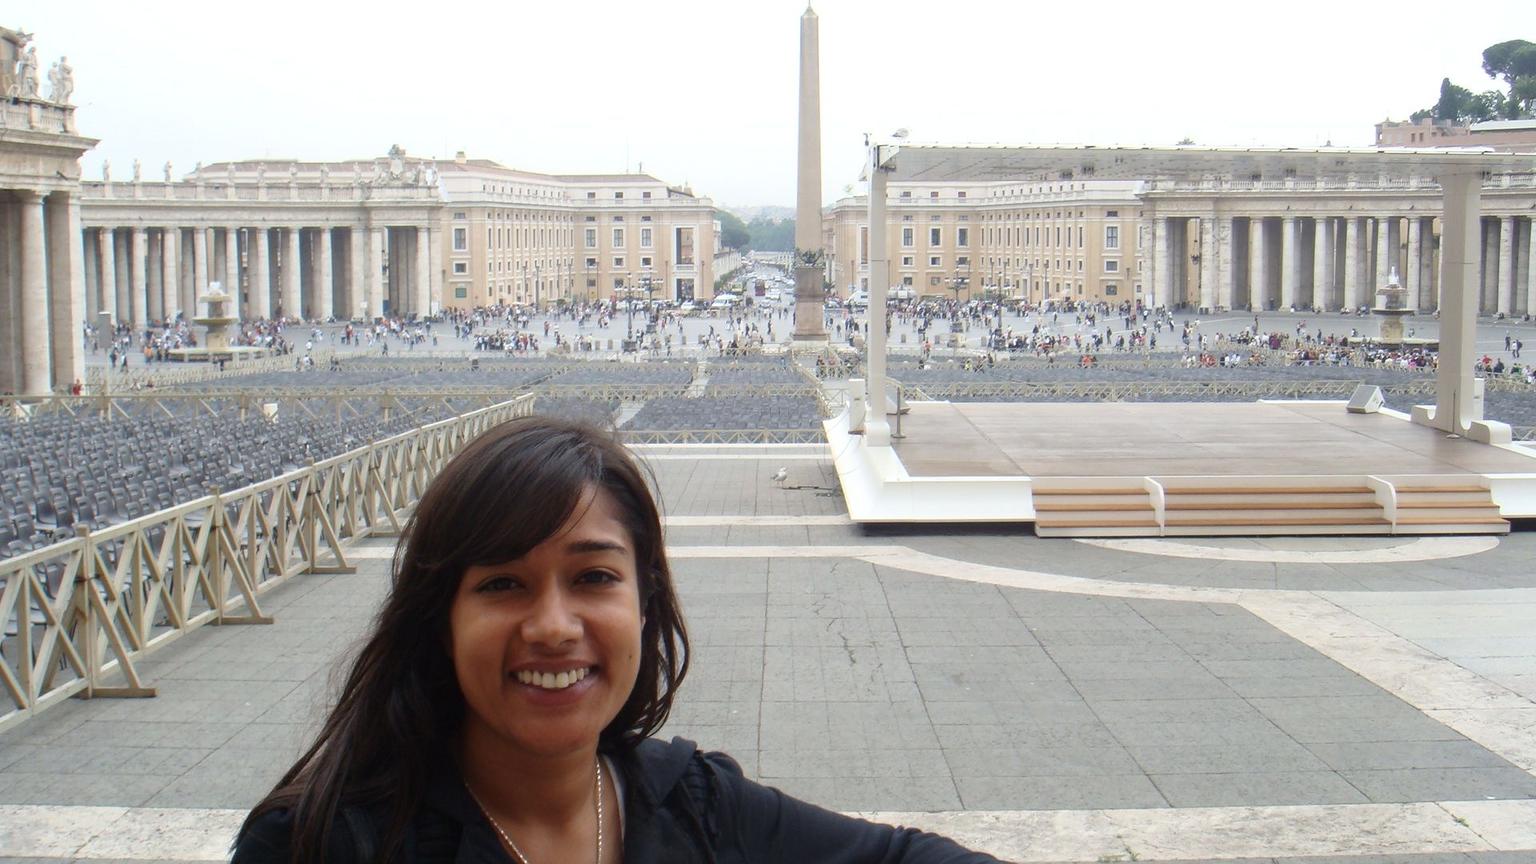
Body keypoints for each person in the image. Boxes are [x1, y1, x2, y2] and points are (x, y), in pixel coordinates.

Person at [233, 417, 997, 864]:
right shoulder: (318, 847)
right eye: (503, 584)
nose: (554, 627)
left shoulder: (695, 806)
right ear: (440, 616)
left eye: (594, 578)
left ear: (645, 602)